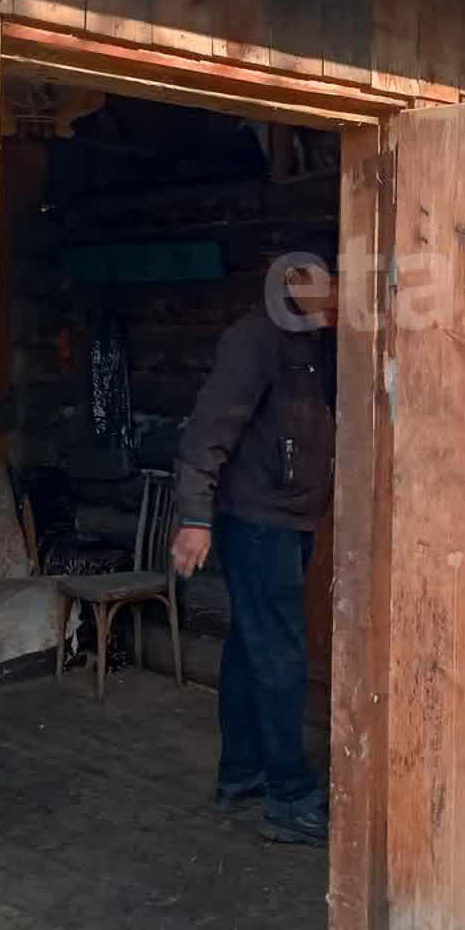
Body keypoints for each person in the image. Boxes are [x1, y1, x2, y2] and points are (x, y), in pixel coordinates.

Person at [172, 253, 337, 845]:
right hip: (258, 520)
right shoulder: (255, 340)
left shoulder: (313, 344)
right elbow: (207, 429)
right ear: (294, 282)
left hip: (288, 516)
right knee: (280, 653)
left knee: (252, 645)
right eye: (327, 284)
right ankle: (289, 798)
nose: (335, 296)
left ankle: (241, 774)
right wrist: (195, 517)